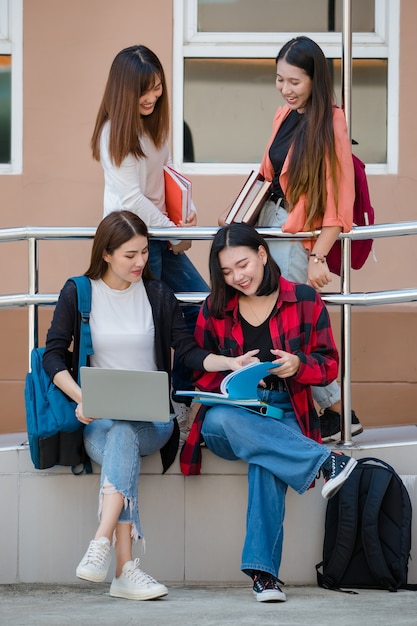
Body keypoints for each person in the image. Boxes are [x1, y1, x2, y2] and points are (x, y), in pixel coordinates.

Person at [42, 211, 258, 601]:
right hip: (99, 423)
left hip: (155, 422)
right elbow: (53, 357)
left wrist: (229, 362)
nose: (140, 262)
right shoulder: (79, 292)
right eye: (129, 255)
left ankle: (101, 541)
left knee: (128, 430)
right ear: (105, 254)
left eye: (144, 252)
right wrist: (82, 397)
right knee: (120, 433)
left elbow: (188, 351)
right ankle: (124, 569)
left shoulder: (157, 294)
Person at [180, 223, 357, 602]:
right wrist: (228, 365)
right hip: (231, 416)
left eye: (242, 264)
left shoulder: (305, 299)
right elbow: (193, 361)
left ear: (262, 253)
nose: (237, 277)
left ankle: (264, 576)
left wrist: (297, 365)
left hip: (285, 408)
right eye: (226, 272)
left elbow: (328, 365)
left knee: (267, 461)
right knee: (226, 420)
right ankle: (327, 462)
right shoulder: (216, 307)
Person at [90, 44, 208, 436]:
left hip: (160, 235)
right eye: (144, 90)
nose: (153, 97)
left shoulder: (154, 124)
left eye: (157, 87)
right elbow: (132, 200)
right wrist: (176, 231)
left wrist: (183, 216)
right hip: (136, 240)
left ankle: (184, 398)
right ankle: (164, 407)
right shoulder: (114, 134)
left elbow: (165, 178)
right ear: (124, 91)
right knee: (155, 322)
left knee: (201, 306)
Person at [256, 35, 362, 442]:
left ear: (315, 80)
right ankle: (320, 411)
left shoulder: (331, 120)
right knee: (271, 320)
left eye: (295, 81)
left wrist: (319, 255)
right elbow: (267, 174)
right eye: (280, 79)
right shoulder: (285, 115)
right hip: (269, 224)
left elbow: (339, 197)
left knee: (293, 325)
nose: (285, 88)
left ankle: (337, 410)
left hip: (299, 235)